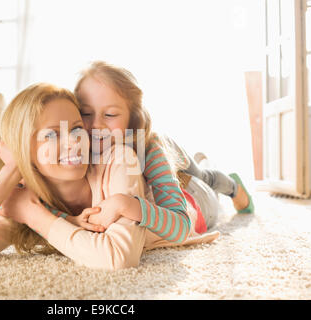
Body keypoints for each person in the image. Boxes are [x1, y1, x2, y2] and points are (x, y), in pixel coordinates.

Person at [0, 83, 218, 270]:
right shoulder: (26, 199)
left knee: (200, 177)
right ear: (23, 151)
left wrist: (36, 217)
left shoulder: (120, 159)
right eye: (51, 134)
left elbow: (118, 258)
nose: (73, 142)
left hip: (192, 205)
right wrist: (8, 174)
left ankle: (206, 167)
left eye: (77, 128)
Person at [71, 61, 254, 233]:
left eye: (110, 114)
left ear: (132, 119)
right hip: (174, 179)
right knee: (177, 159)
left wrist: (125, 204)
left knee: (204, 178)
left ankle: (233, 186)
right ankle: (197, 161)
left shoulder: (146, 149)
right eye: (85, 113)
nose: (96, 124)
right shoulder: (73, 150)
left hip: (196, 201)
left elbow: (181, 224)